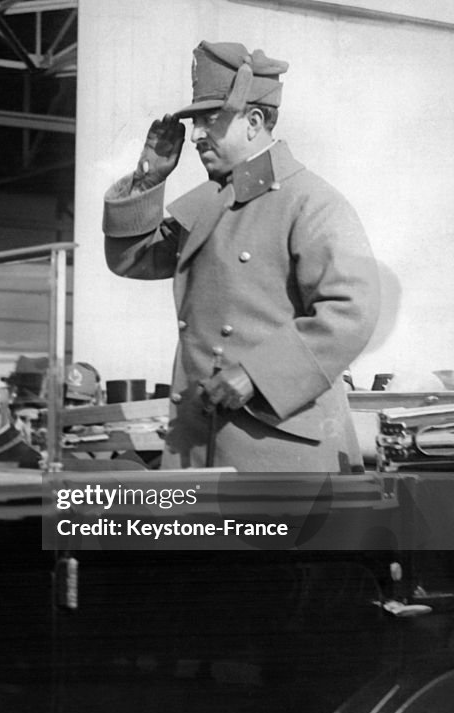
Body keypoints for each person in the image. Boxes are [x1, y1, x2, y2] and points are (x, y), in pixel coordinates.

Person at [102, 40, 379, 471]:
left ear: (253, 121)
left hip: (276, 451)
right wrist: (148, 178)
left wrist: (256, 375)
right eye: (195, 122)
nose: (195, 135)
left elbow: (351, 311)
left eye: (210, 119)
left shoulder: (311, 201)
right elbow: (134, 259)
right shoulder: (214, 200)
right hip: (203, 441)